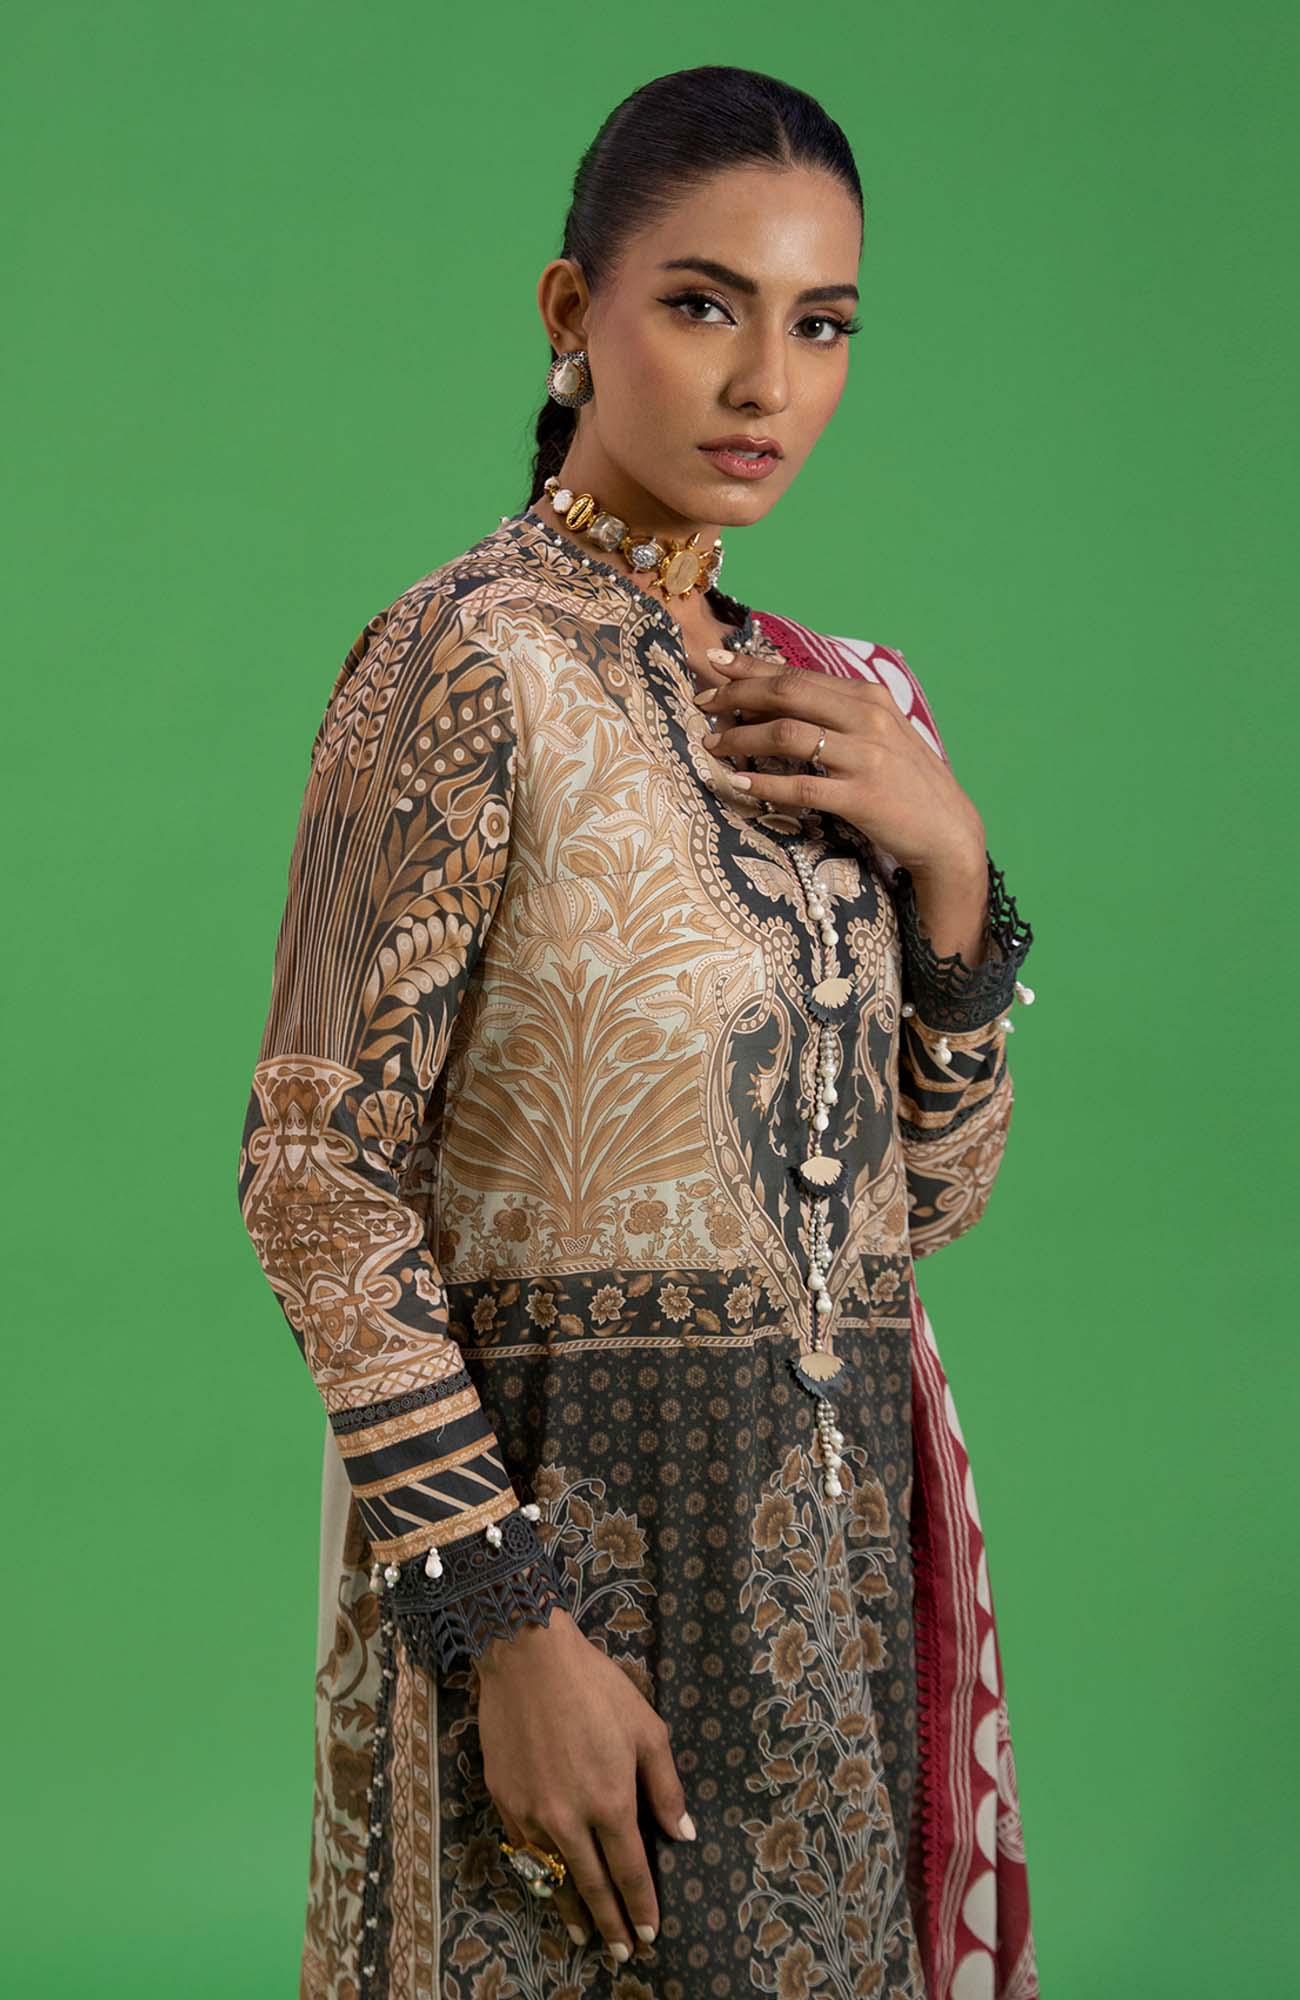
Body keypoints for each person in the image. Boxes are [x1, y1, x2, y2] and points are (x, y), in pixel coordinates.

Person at [236, 63, 1040, 2000]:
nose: (766, 382)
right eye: (702, 304)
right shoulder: (459, 660)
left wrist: (949, 872)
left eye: (820, 325)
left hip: (822, 1627)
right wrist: (506, 1626)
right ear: (568, 311)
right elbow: (313, 1173)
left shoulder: (836, 707)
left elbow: (921, 1209)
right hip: (552, 1628)